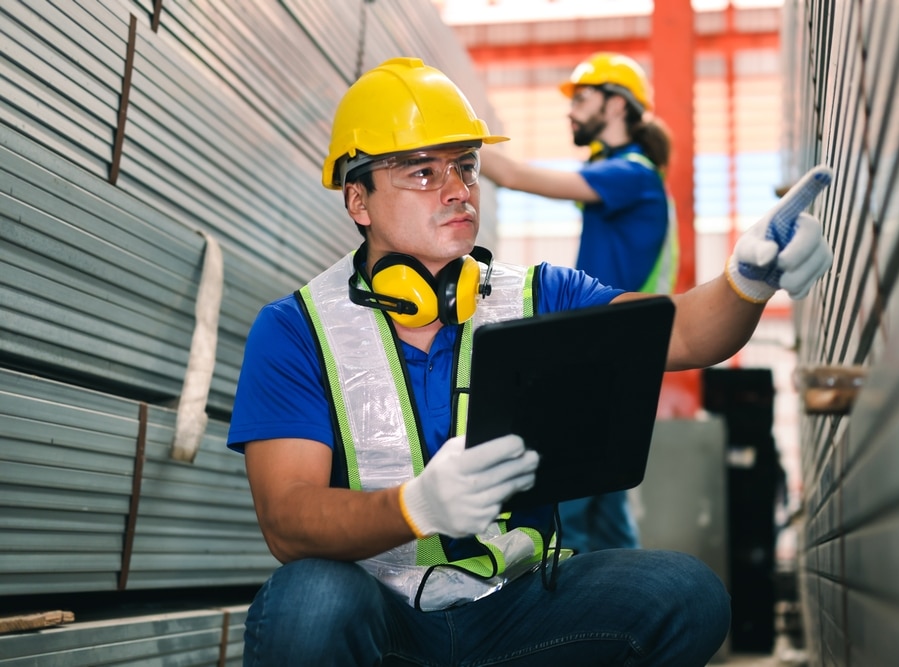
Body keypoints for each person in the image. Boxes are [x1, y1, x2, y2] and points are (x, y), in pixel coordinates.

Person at [227, 56, 833, 666]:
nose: (459, 189)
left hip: (512, 609)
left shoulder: (538, 294)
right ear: (359, 201)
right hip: (383, 619)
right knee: (306, 600)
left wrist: (749, 280)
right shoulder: (297, 328)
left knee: (685, 593)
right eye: (421, 172)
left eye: (465, 166)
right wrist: (414, 507)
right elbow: (288, 518)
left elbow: (682, 334)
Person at [478, 51, 676, 553]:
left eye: (582, 97)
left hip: (601, 357)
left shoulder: (631, 173)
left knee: (565, 513)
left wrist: (456, 143)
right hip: (610, 356)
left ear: (616, 106)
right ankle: (633, 615)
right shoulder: (618, 171)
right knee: (603, 514)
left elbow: (520, 177)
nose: (571, 110)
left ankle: (580, 619)